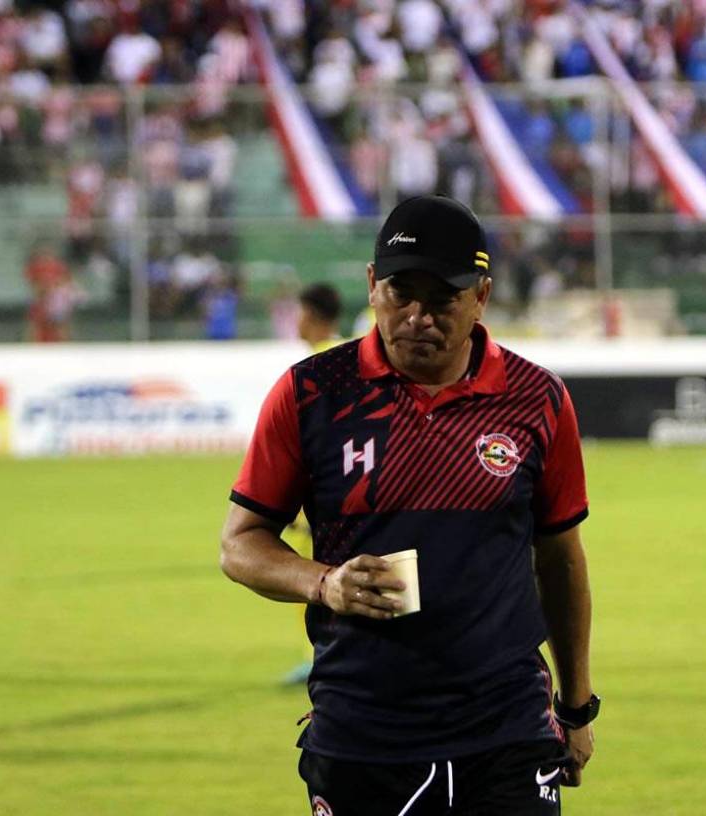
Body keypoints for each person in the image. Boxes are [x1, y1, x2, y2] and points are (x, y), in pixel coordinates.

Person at [221, 195, 597, 814]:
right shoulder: (311, 394)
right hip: (364, 734)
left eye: (443, 296)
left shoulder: (537, 400)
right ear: (372, 287)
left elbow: (560, 560)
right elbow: (240, 543)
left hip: (509, 732)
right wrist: (325, 583)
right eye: (402, 292)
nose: (419, 316)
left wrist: (577, 708)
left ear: (481, 295)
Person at [280, 282, 346, 686]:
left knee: (310, 575)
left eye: (298, 311)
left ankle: (321, 655)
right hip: (345, 488)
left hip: (323, 493)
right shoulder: (350, 353)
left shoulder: (317, 367)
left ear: (311, 315)